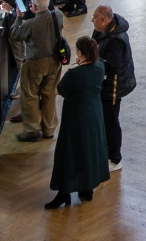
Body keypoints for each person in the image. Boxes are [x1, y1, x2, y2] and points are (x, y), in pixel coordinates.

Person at [46, 36, 110, 208]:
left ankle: (64, 193)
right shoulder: (100, 66)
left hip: (76, 117)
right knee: (89, 150)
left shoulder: (75, 74)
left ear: (80, 53)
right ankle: (87, 188)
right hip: (94, 114)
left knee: (69, 153)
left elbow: (58, 91)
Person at [9, 0, 65, 142]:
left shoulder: (30, 24)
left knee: (30, 95)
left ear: (33, 6)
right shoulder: (58, 15)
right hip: (55, 62)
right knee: (49, 95)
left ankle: (32, 131)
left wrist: (19, 18)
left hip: (35, 63)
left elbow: (15, 35)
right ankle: (49, 129)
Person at [91, 4, 134, 169]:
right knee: (104, 121)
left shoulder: (116, 39)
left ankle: (115, 159)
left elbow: (112, 67)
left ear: (104, 20)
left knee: (111, 123)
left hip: (113, 88)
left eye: (95, 18)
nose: (92, 20)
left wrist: (92, 61)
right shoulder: (101, 30)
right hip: (103, 85)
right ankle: (104, 152)